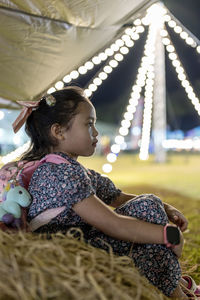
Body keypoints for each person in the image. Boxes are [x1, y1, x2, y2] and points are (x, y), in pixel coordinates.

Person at [12, 86, 199, 299]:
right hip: (69, 257)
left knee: (149, 207)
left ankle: (177, 288)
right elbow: (113, 223)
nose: (96, 132)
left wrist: (167, 209)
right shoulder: (60, 172)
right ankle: (179, 294)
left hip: (83, 245)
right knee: (149, 217)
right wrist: (169, 235)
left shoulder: (68, 168)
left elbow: (116, 196)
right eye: (89, 124)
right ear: (59, 131)